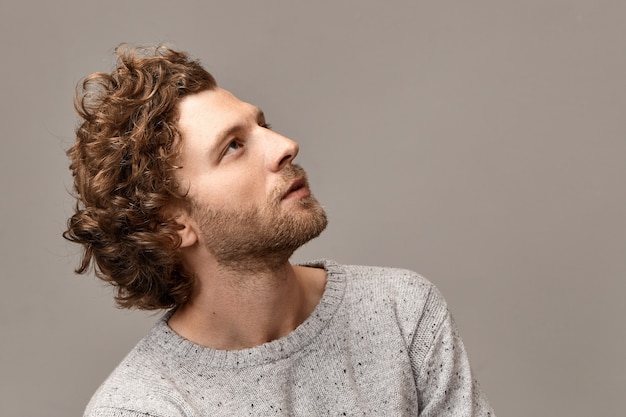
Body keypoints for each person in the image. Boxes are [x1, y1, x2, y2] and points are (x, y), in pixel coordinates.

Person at [65, 44, 495, 417]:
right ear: (171, 224)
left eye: (262, 125)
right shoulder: (141, 407)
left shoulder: (401, 312)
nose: (285, 144)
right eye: (233, 145)